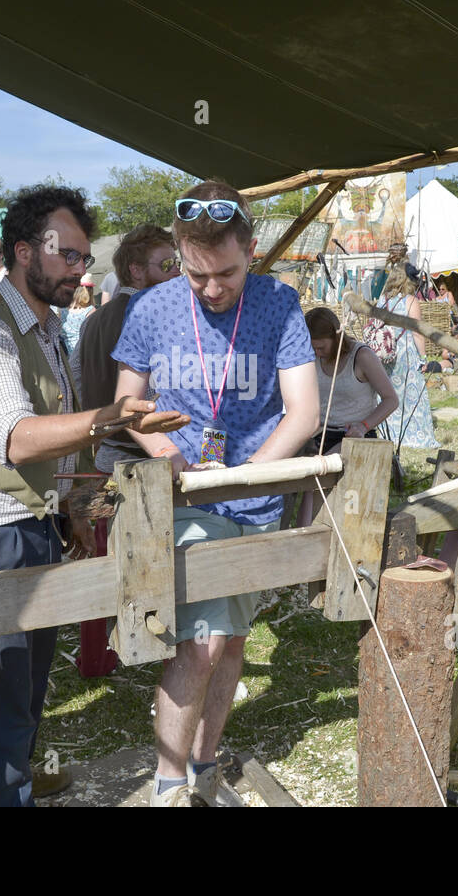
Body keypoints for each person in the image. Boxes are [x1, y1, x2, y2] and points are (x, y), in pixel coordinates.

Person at [0, 184, 185, 807]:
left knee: (27, 686)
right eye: (67, 255)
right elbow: (15, 439)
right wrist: (112, 418)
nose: (79, 269)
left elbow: (49, 445)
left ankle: (7, 787)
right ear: (23, 253)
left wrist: (67, 502)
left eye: (83, 257)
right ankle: (1, 794)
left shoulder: (46, 330)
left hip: (27, 521)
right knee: (1, 692)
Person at [112, 179, 319, 807]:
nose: (211, 288)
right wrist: (170, 457)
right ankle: (169, 782)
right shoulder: (151, 307)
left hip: (254, 497)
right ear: (178, 254)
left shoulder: (281, 305)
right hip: (181, 500)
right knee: (200, 639)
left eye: (225, 273)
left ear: (251, 249)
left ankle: (204, 763)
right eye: (197, 274)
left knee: (231, 638)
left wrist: (248, 472)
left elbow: (303, 412)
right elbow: (127, 402)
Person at [78, 223, 179, 474]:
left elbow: (76, 382)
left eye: (177, 263)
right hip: (149, 461)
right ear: (136, 270)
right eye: (167, 265)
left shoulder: (92, 320)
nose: (177, 272)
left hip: (107, 456)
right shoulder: (153, 318)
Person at [296, 307, 398, 527]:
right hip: (319, 433)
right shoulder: (311, 357)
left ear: (336, 337)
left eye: (321, 347)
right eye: (312, 348)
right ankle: (296, 532)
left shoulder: (361, 356)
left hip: (355, 436)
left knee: (318, 474)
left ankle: (310, 534)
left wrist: (363, 426)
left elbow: (391, 400)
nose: (316, 353)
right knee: (290, 472)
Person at [376, 264, 440, 450]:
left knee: (388, 394)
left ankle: (390, 433)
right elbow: (417, 332)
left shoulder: (382, 301)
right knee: (412, 396)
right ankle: (415, 435)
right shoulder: (410, 301)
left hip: (386, 354)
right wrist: (423, 357)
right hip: (405, 353)